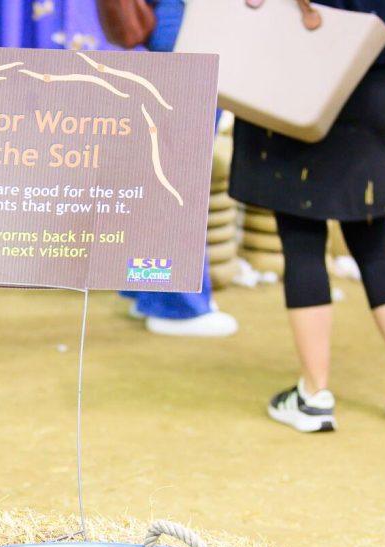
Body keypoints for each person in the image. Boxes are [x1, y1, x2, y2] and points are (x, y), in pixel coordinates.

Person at [230, 0, 385, 432]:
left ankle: (314, 395)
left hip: (299, 65)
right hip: (383, 70)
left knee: (302, 232)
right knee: (372, 234)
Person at [118, 0, 238, 338]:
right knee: (177, 170)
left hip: (173, 22)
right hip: (191, 23)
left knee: (161, 167)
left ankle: (148, 291)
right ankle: (176, 304)